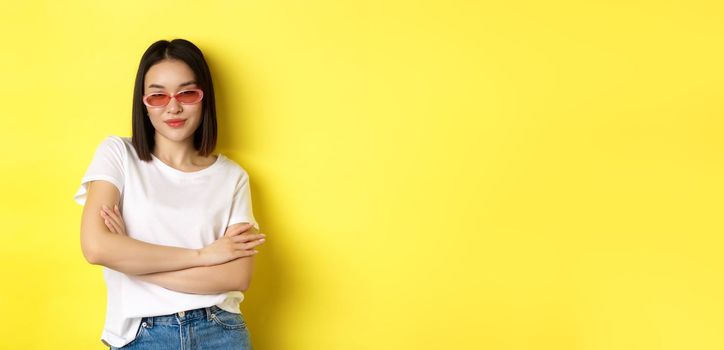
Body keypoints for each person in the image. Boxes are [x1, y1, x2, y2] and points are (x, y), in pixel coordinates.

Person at [73, 38, 266, 349]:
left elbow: (236, 277)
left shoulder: (232, 177)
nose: (173, 106)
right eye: (158, 95)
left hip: (219, 329)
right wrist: (203, 256)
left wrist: (131, 261)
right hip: (141, 334)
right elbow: (97, 248)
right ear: (143, 102)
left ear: (205, 98)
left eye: (187, 93)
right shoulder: (118, 154)